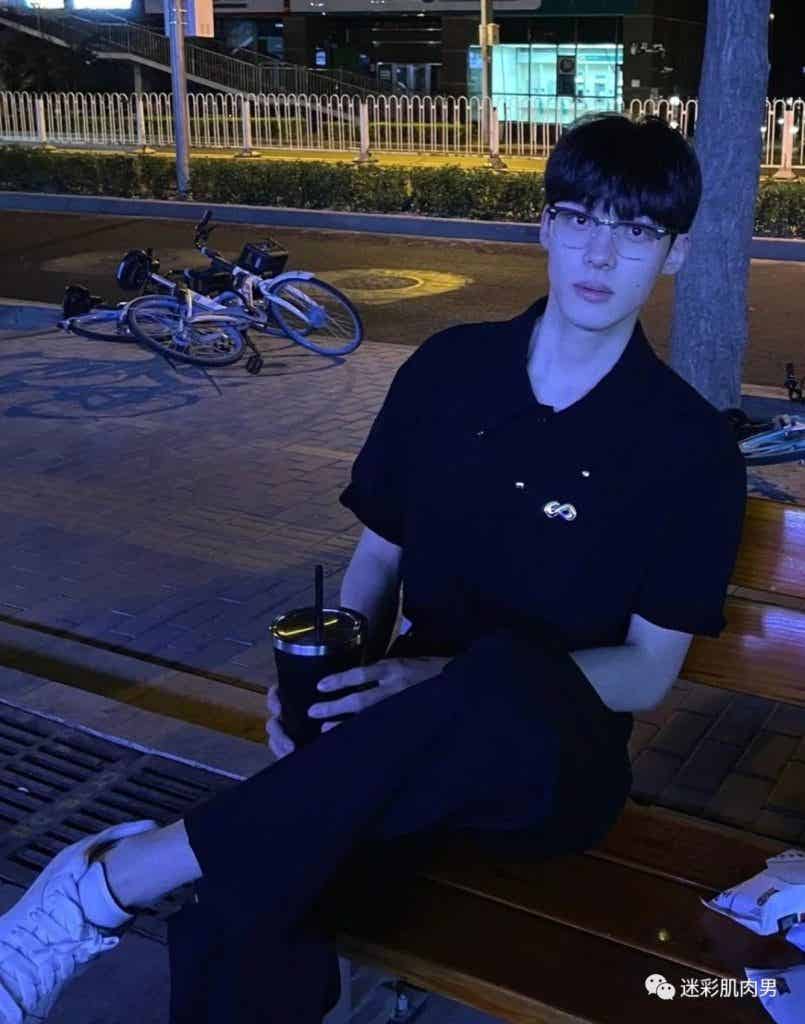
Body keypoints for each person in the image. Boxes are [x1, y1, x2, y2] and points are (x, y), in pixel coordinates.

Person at [0, 112, 747, 1024]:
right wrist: (336, 673)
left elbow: (647, 669)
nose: (600, 253)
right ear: (544, 227)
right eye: (580, 218)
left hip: (547, 769)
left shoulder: (687, 448)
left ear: (673, 254)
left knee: (501, 678)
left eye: (635, 230)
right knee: (248, 900)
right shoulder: (447, 371)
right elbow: (380, 550)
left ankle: (113, 879)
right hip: (392, 740)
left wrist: (439, 683)